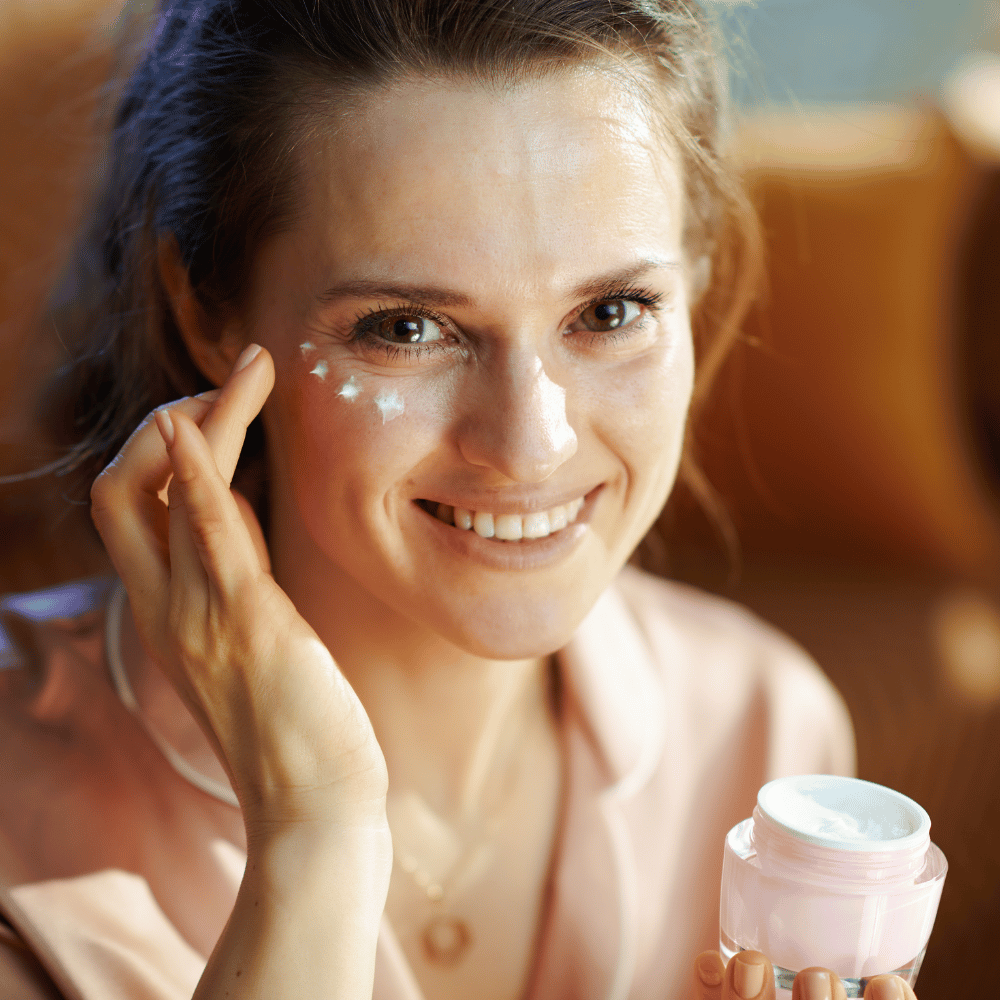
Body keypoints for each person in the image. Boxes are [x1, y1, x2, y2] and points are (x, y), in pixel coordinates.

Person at [0, 2, 913, 998]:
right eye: (406, 328)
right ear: (208, 312)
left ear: (692, 283)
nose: (530, 444)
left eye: (609, 312)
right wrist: (315, 835)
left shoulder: (764, 736)